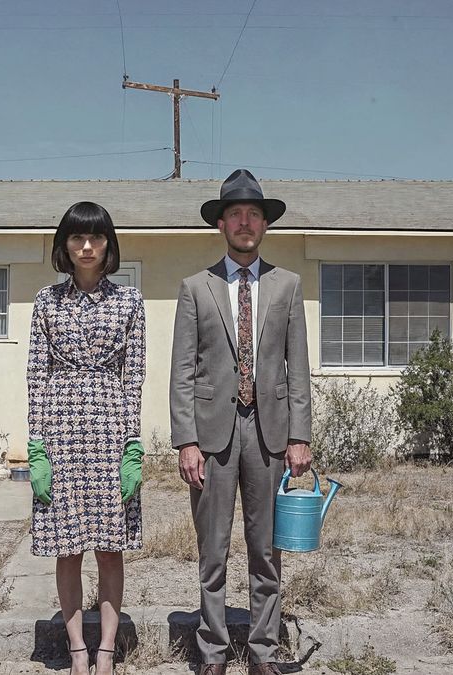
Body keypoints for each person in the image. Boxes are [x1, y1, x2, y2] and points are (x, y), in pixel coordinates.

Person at [169, 169, 312, 675]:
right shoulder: (196, 288)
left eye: (254, 214)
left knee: (266, 551)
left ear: (265, 224)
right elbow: (183, 370)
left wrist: (300, 435)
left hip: (270, 433)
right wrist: (186, 441)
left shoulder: (288, 285)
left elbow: (298, 367)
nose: (245, 222)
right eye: (236, 214)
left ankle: (263, 653)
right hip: (211, 436)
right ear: (222, 224)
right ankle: (211, 652)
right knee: (212, 551)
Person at [27, 201, 146, 675]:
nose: (87, 246)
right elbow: (36, 374)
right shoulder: (46, 301)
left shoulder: (129, 302)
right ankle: (77, 647)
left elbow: (134, 375)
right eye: (77, 237)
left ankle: (107, 648)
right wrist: (37, 445)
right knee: (68, 545)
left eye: (96, 237)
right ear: (65, 245)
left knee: (110, 546)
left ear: (108, 244)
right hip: (60, 429)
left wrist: (133, 443)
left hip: (110, 429)